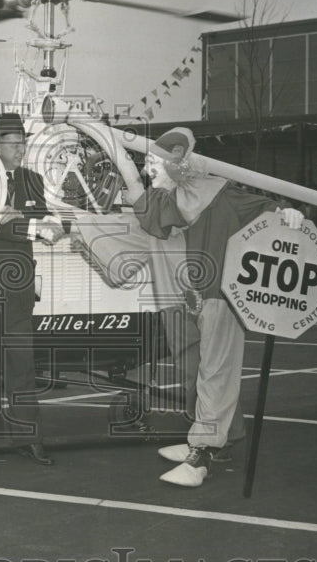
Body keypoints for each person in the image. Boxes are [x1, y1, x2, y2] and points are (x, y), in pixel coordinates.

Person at [115, 127, 303, 487]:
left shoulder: (218, 194)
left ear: (177, 165)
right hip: (191, 300)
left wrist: (289, 212)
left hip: (221, 296)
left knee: (215, 372)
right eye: (147, 162)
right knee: (200, 370)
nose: (148, 169)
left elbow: (266, 208)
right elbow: (143, 203)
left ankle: (202, 454)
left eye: (154, 162)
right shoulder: (170, 201)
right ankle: (222, 437)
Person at [0, 113, 64, 465]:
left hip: (19, 292)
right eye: (14, 143)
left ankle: (27, 437)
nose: (22, 149)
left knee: (22, 367)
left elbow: (50, 223)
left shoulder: (32, 180)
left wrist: (16, 218)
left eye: (24, 142)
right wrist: (28, 224)